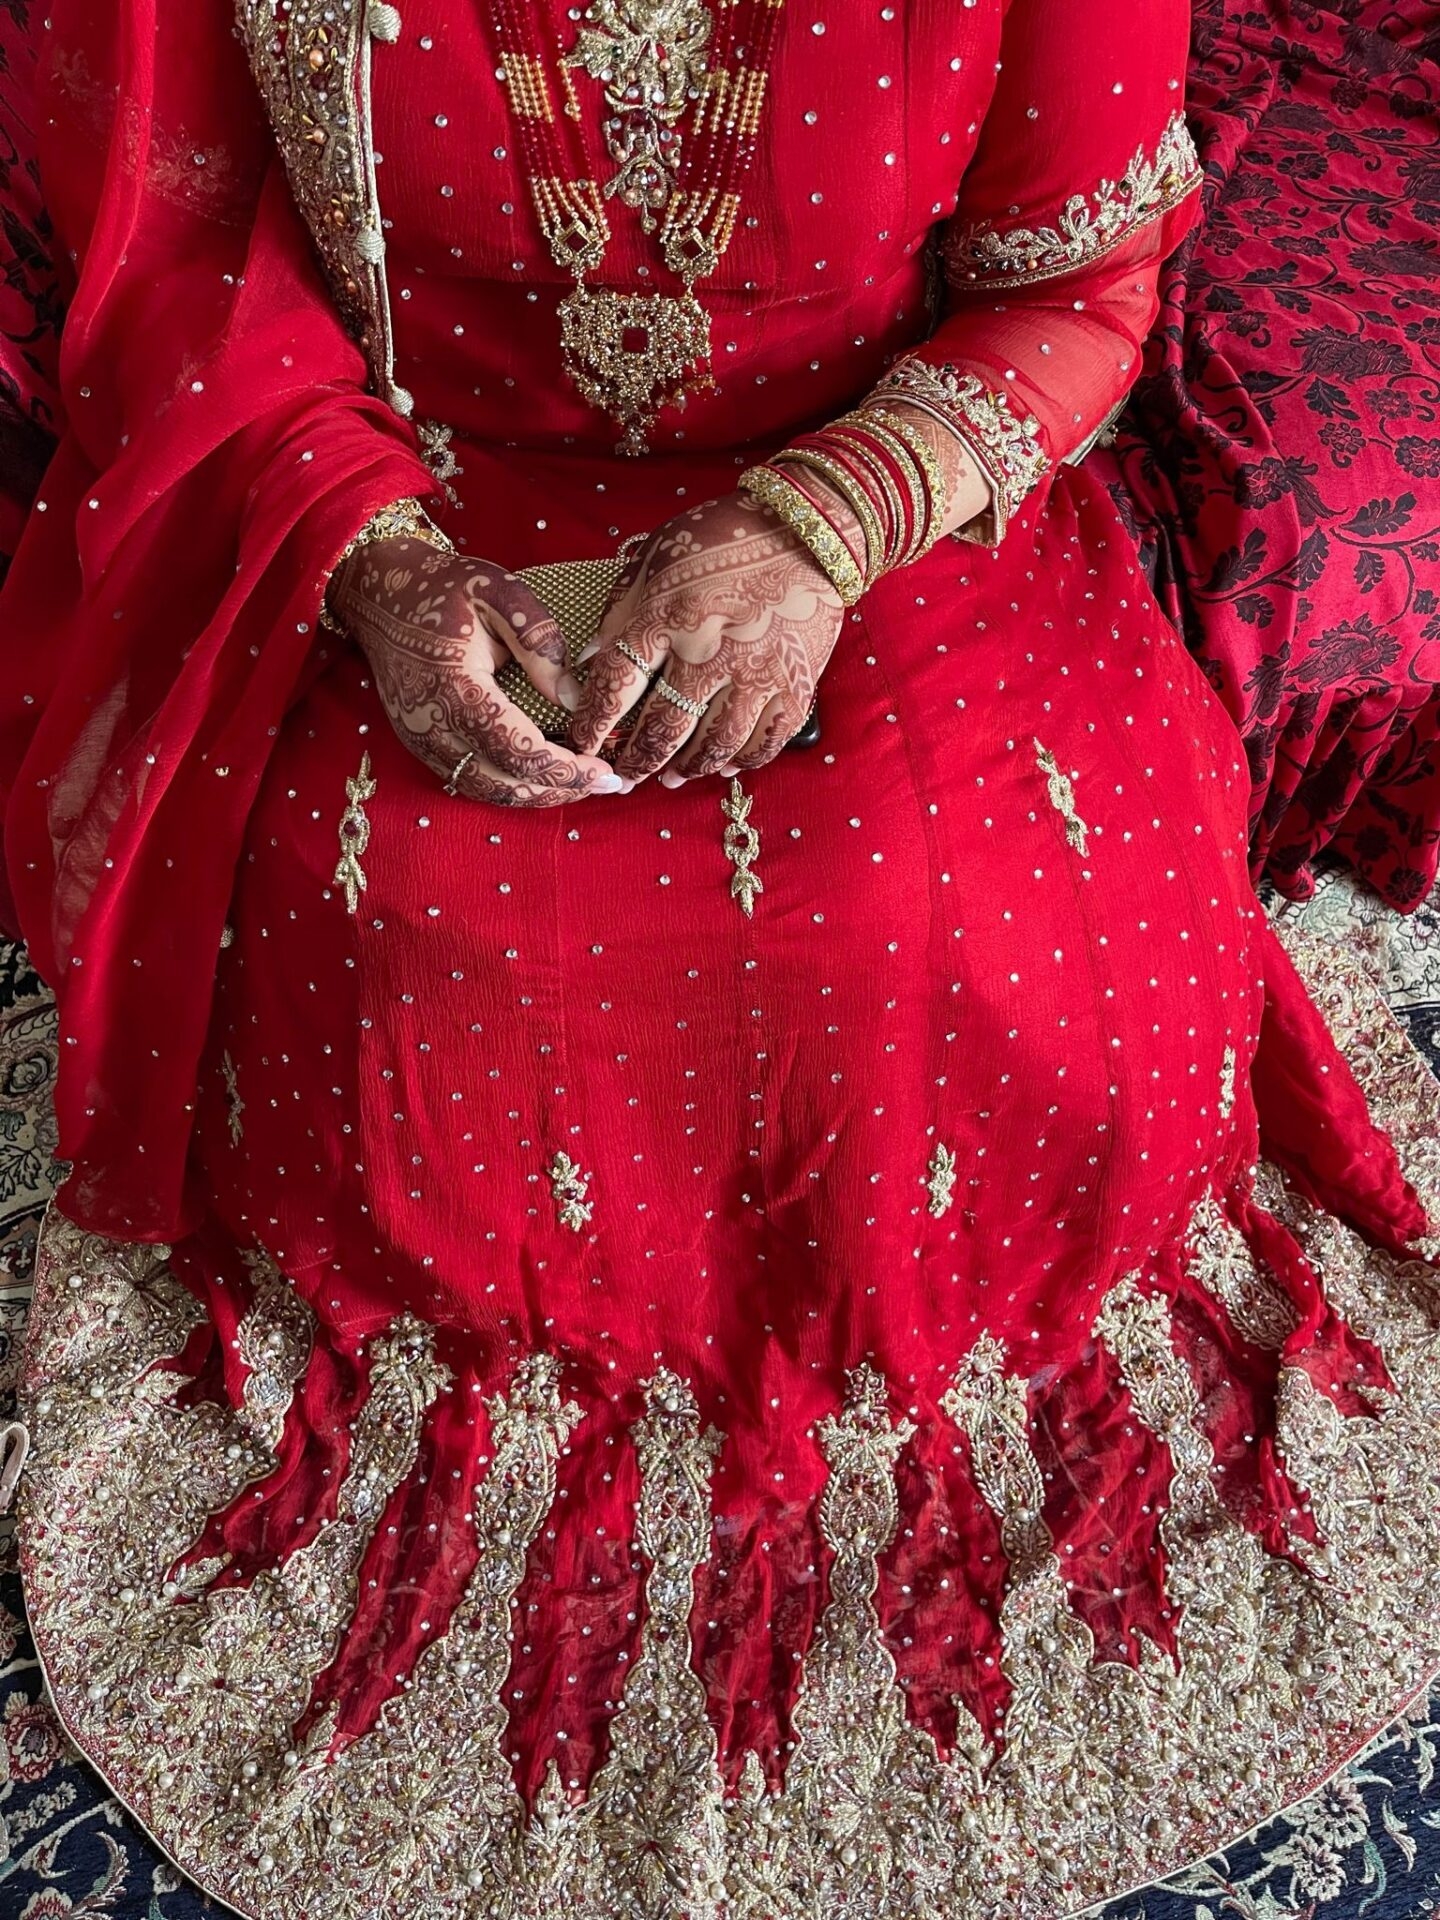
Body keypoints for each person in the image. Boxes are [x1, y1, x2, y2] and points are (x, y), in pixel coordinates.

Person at [3, 1, 1440, 1915]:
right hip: (421, 499)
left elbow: (1083, 282)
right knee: (409, 916)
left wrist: (818, 529)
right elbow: (184, 259)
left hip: (881, 490)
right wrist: (371, 554)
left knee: (909, 919)